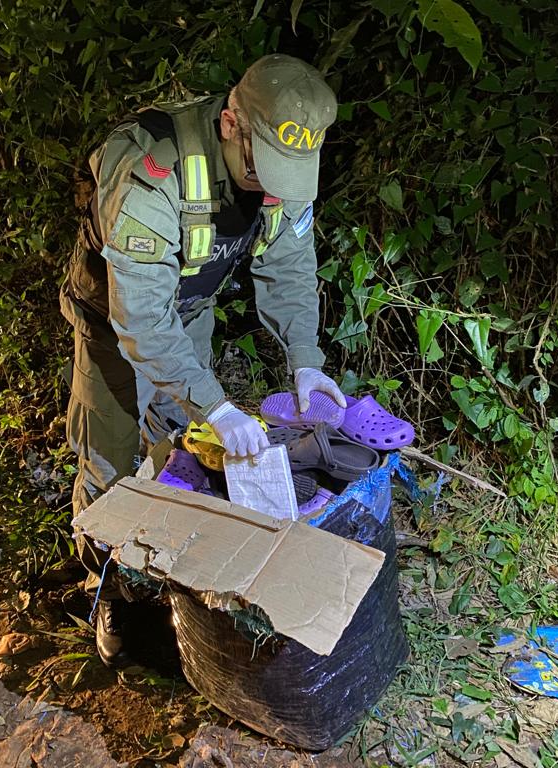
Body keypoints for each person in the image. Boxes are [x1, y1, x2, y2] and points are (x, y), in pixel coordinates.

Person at [60, 54, 346, 666]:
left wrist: (305, 359)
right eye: (262, 166)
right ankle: (108, 589)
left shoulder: (281, 172)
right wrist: (217, 404)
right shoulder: (151, 172)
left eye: (287, 173)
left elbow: (290, 266)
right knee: (111, 461)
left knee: (172, 447)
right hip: (115, 321)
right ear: (229, 123)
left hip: (189, 313)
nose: (274, 185)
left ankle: (160, 573)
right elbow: (138, 319)